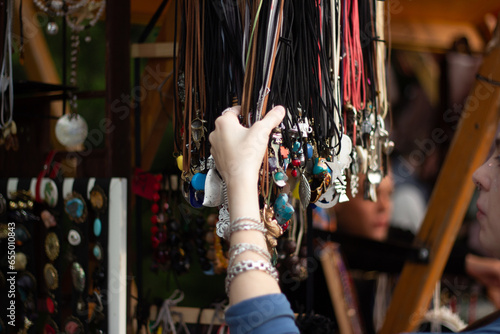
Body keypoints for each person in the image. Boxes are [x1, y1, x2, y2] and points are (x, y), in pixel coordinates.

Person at [210, 104, 500, 333]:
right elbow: (387, 250)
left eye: (389, 194)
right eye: (369, 193)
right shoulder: (315, 250)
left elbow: (399, 248)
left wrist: (241, 181)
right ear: (335, 200)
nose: (383, 207)